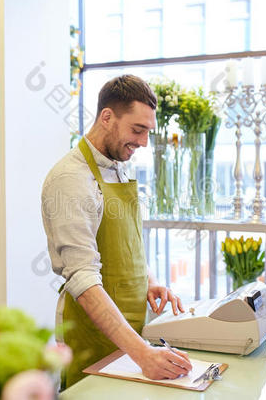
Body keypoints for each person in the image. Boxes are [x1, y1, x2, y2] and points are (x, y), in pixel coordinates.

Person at [42, 74, 192, 389]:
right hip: (94, 336)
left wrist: (148, 282)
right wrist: (143, 354)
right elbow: (82, 278)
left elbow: (128, 245)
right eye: (137, 130)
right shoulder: (70, 179)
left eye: (148, 131)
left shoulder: (117, 166)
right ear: (106, 117)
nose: (143, 142)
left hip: (133, 331)